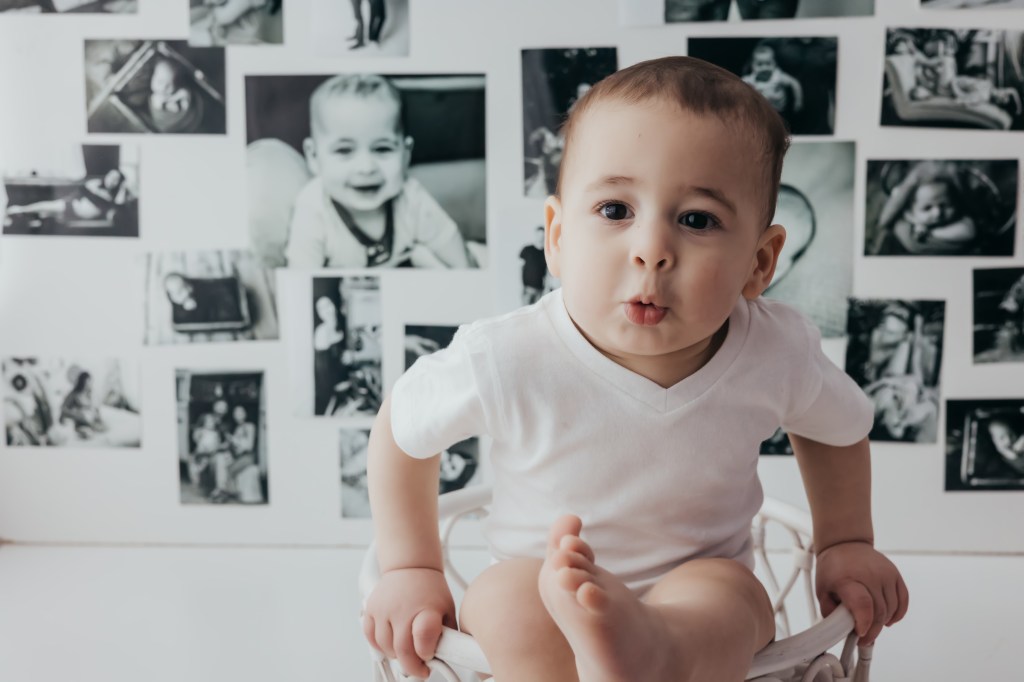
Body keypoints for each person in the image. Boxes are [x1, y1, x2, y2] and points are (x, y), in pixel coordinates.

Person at [362, 56, 908, 682]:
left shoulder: (774, 352)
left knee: (730, 599)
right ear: (559, 237)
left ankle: (653, 647)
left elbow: (838, 428)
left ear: (760, 262)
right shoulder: (508, 356)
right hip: (544, 579)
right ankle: (617, 649)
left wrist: (845, 543)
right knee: (505, 601)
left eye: (697, 220)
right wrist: (412, 568)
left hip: (696, 584)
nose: (651, 250)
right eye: (616, 211)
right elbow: (401, 431)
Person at [285, 74, 471, 269]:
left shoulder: (411, 199)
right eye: (344, 150)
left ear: (406, 154)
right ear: (314, 156)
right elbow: (301, 283)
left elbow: (462, 264)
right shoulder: (314, 209)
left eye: (382, 149)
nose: (366, 168)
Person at [872, 161, 979, 256]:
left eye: (944, 205)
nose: (938, 212)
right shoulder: (906, 226)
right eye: (927, 208)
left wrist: (930, 232)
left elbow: (970, 232)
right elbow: (885, 220)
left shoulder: (962, 221)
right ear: (910, 212)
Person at [907, 32, 1021, 115]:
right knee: (949, 59)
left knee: (947, 59)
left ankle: (920, 59)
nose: (1003, 94)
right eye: (1005, 94)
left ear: (998, 101)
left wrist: (954, 87)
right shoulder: (989, 86)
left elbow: (963, 100)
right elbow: (1013, 91)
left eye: (1003, 98)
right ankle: (921, 61)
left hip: (948, 87)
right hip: (953, 79)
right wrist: (1017, 105)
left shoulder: (983, 96)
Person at [743, 44, 803, 118]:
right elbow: (739, 87)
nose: (764, 68)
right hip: (759, 113)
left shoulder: (778, 76)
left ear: (774, 63)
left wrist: (798, 101)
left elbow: (794, 83)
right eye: (760, 64)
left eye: (768, 64)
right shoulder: (751, 79)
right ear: (752, 65)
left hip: (778, 113)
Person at [60, 371, 107, 439]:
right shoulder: (74, 394)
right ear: (82, 382)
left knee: (105, 429)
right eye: (87, 382)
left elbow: (95, 408)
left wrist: (98, 417)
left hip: (92, 421)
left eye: (90, 382)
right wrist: (77, 415)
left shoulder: (90, 394)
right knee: (88, 434)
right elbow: (63, 408)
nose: (89, 384)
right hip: (80, 423)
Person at [520, 226, 550, 305]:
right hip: (527, 289)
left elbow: (547, 273)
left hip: (540, 290)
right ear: (535, 235)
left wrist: (546, 288)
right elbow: (519, 267)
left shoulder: (546, 253)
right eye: (539, 235)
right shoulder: (527, 249)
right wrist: (521, 285)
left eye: (542, 236)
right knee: (525, 312)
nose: (540, 238)